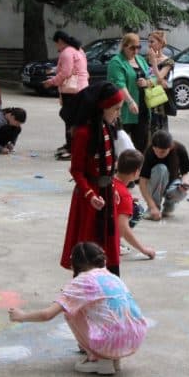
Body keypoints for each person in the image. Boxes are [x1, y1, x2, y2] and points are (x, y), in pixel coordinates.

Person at [9, 242, 147, 376]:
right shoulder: (113, 277)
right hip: (135, 338)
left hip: (108, 342)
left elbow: (47, 314)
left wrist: (21, 316)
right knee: (106, 311)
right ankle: (114, 359)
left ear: (74, 264)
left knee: (70, 310)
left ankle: (99, 358)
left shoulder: (81, 282)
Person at [61, 82, 125, 276]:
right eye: (115, 109)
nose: (117, 114)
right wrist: (89, 194)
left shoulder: (107, 127)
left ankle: (109, 285)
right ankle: (84, 288)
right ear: (103, 108)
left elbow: (109, 166)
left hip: (105, 192)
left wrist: (112, 187)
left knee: (109, 242)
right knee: (89, 243)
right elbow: (76, 170)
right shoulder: (83, 133)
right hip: (90, 197)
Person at [43, 30, 88, 160]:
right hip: (82, 88)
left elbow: (65, 73)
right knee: (73, 118)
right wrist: (53, 70)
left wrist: (51, 82)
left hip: (72, 90)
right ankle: (71, 145)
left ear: (60, 42)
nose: (56, 47)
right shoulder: (79, 50)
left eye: (56, 44)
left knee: (69, 118)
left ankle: (72, 148)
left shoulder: (67, 52)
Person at [107, 33, 152, 151]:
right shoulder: (116, 62)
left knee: (141, 146)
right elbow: (119, 84)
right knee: (122, 146)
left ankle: (138, 169)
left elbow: (151, 76)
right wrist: (130, 101)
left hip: (143, 108)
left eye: (138, 47)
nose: (136, 50)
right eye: (132, 47)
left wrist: (147, 82)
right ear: (124, 46)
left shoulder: (140, 60)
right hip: (125, 110)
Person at [138, 130, 189, 220]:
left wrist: (185, 182)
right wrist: (152, 206)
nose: (159, 154)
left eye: (163, 152)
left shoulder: (180, 148)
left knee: (181, 191)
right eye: (156, 151)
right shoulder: (150, 151)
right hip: (155, 182)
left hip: (173, 182)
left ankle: (169, 205)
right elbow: (142, 182)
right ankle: (155, 206)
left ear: (170, 147)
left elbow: (185, 172)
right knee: (160, 168)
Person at [114, 149, 156, 259]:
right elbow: (123, 227)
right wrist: (143, 249)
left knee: (133, 206)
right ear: (136, 172)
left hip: (89, 232)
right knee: (138, 209)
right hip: (103, 237)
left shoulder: (109, 182)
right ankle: (114, 243)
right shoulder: (124, 195)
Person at [145, 30, 177, 137]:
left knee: (158, 128)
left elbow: (160, 78)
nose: (149, 45)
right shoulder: (145, 60)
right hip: (146, 96)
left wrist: (154, 62)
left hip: (158, 98)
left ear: (160, 43)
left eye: (152, 42)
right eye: (148, 42)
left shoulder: (168, 61)